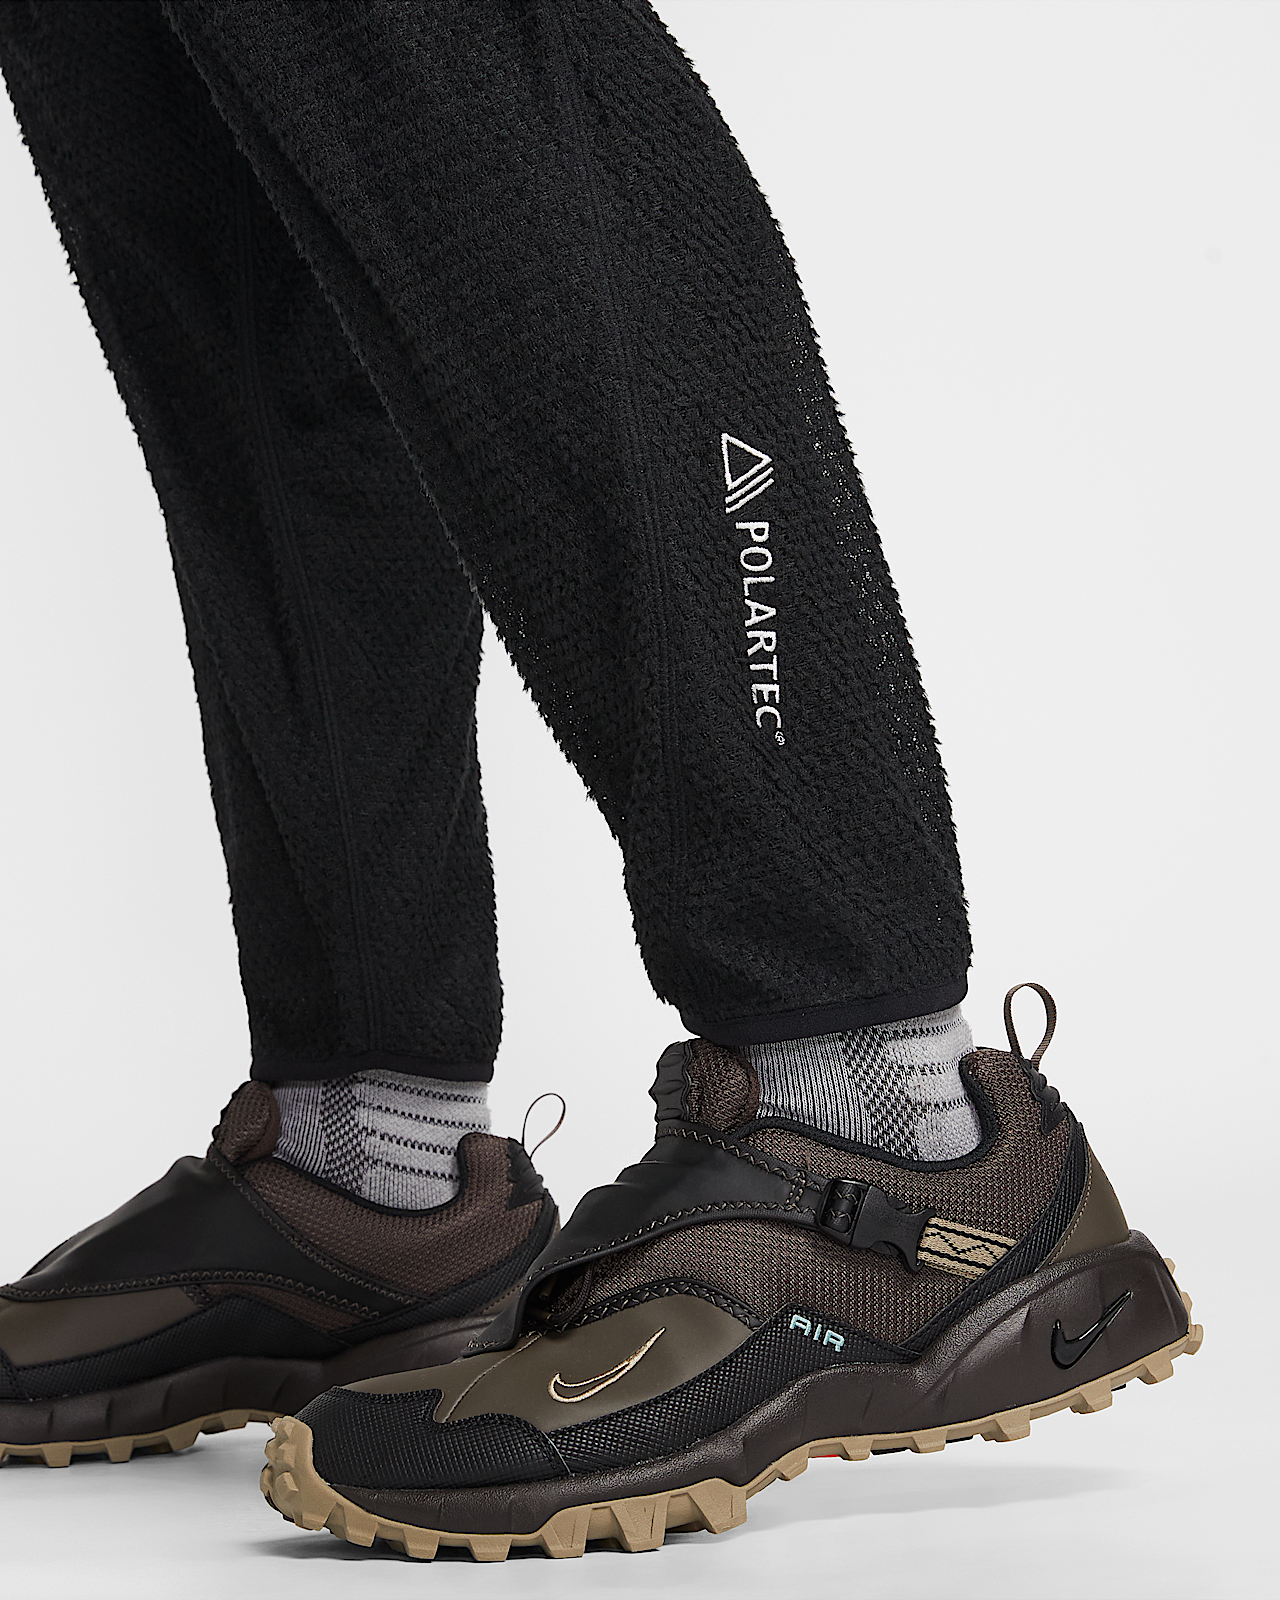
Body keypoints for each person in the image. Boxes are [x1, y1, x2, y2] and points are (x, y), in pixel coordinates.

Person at [0, 0, 1200, 1558]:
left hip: (892, 1161)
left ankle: (881, 1119)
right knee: (188, 155)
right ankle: (369, 1163)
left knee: (452, 68)